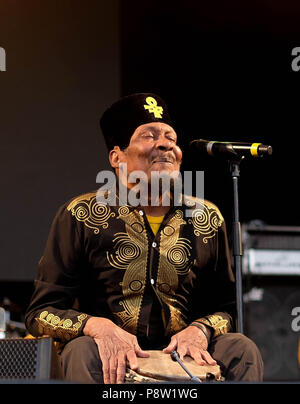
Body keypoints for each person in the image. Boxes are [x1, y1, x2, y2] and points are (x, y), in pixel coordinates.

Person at [25, 93, 263, 384]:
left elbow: (228, 309)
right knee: (81, 350)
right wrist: (99, 328)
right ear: (116, 156)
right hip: (107, 357)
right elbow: (39, 313)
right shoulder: (81, 215)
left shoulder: (206, 218)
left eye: (170, 137)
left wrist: (200, 329)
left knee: (242, 348)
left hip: (184, 356)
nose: (165, 144)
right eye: (148, 136)